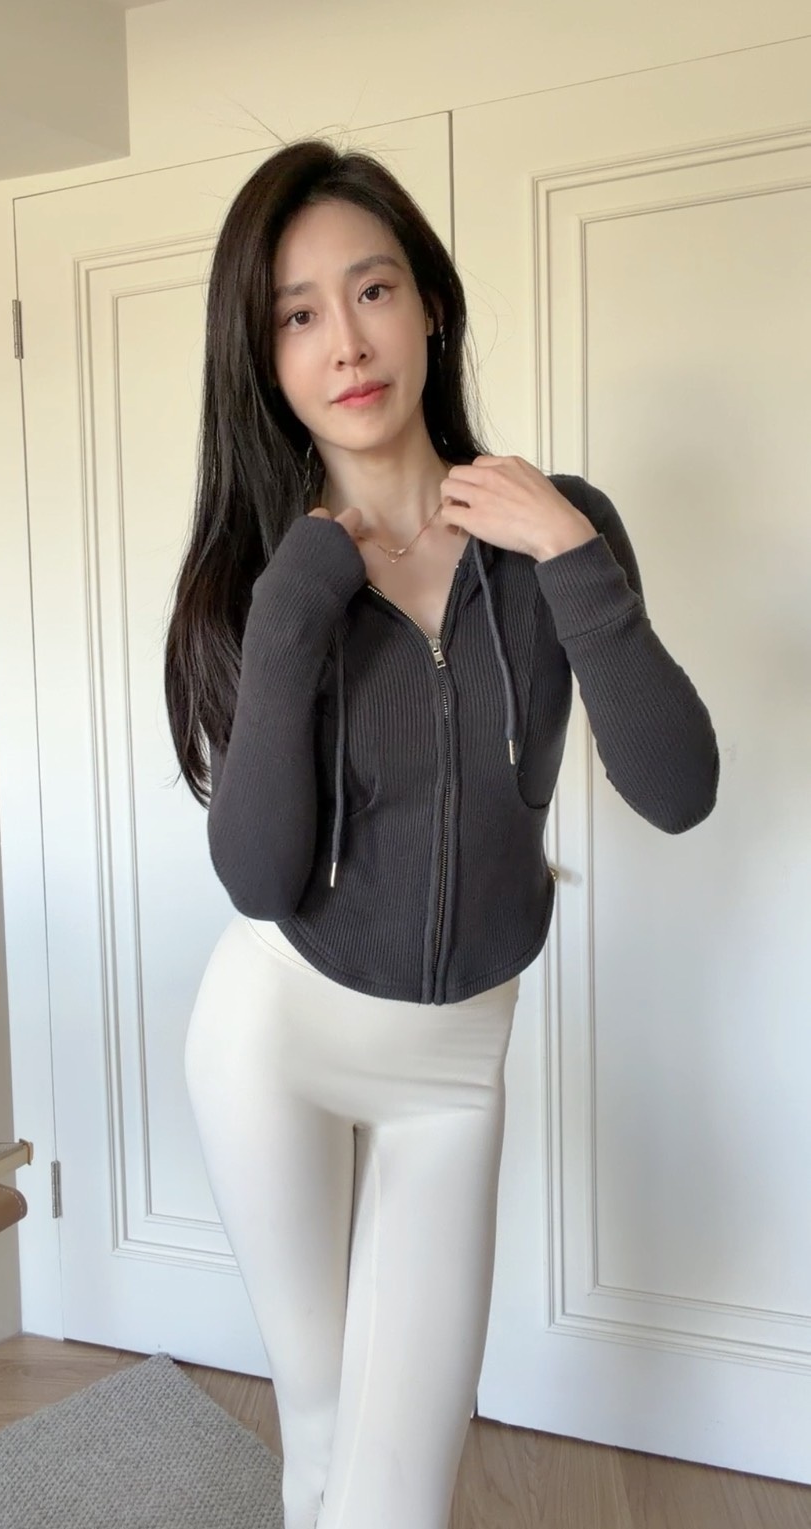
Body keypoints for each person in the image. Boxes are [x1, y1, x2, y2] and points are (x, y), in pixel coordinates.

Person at [164, 138, 719, 1529]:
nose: (346, 343)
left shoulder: (556, 532)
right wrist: (295, 610)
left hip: (454, 1070)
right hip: (273, 1038)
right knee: (322, 1431)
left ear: (430, 309)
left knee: (396, 1492)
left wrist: (574, 559)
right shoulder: (264, 574)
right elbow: (257, 875)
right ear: (265, 360)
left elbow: (678, 787)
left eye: (372, 291)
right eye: (297, 315)